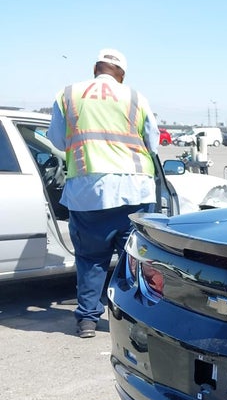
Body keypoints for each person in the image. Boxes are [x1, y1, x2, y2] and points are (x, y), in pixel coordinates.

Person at [47, 48, 159, 338]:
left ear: (96, 68)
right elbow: (153, 144)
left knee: (91, 258)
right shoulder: (135, 97)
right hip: (134, 191)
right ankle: (137, 322)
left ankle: (87, 320)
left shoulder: (69, 94)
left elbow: (58, 140)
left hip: (88, 192)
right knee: (135, 260)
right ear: (121, 74)